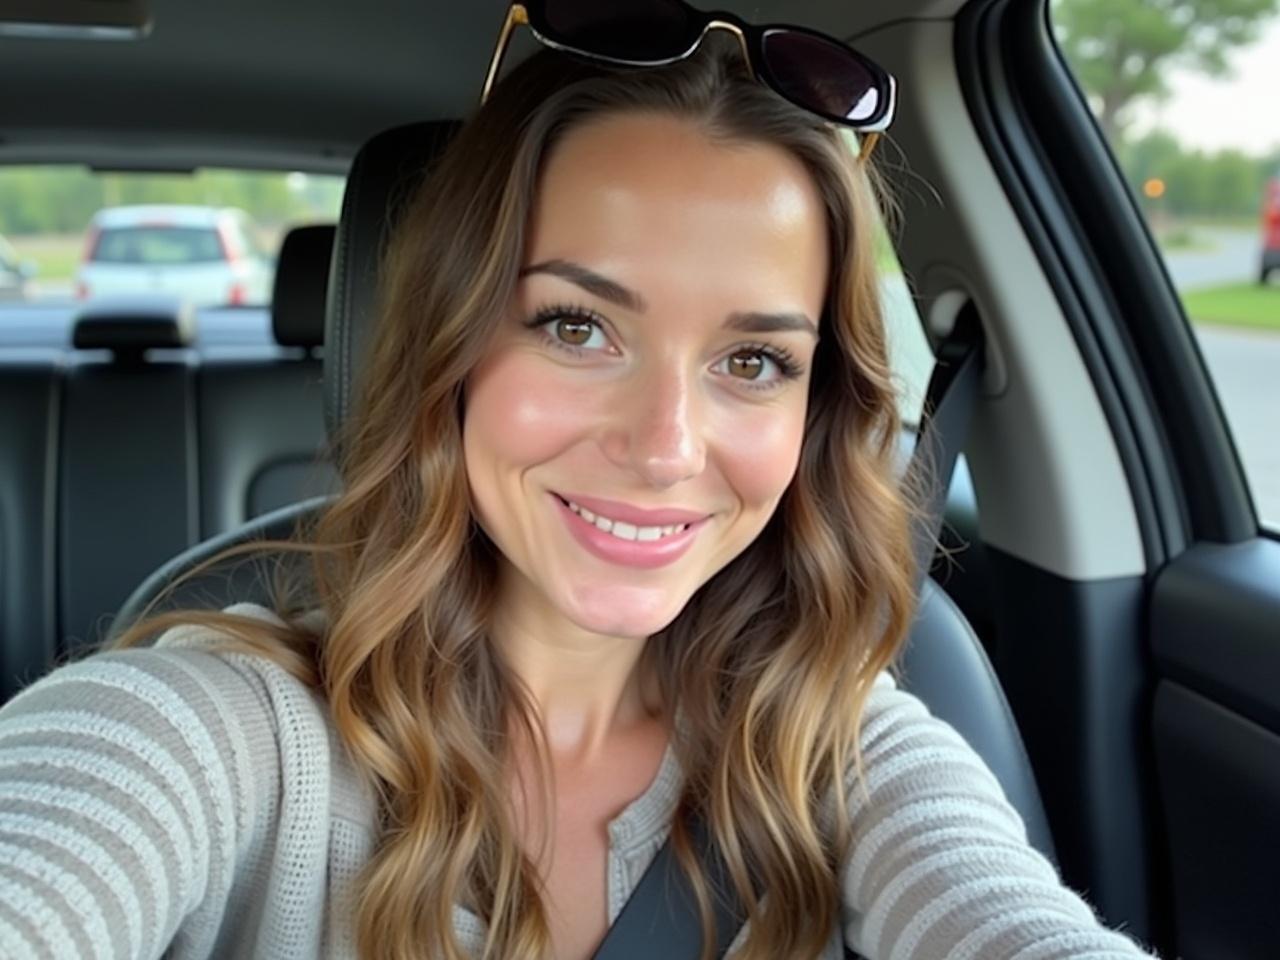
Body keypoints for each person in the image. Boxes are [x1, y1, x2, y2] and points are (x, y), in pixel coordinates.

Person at [0, 4, 1162, 959]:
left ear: (817, 413)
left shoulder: (838, 747)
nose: (664, 446)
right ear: (448, 352)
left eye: (752, 361)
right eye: (574, 326)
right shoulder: (219, 733)